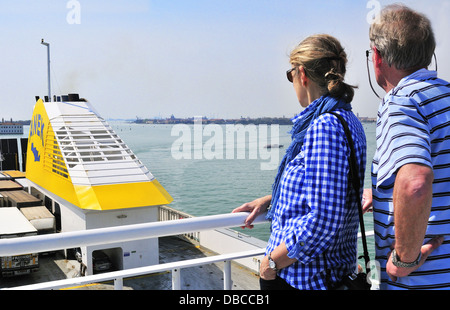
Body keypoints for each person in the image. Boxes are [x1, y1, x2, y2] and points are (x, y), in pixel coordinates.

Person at [232, 34, 367, 290]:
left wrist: (271, 263)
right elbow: (332, 193)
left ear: (302, 74)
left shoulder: (324, 126)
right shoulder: (349, 120)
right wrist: (272, 198)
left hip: (306, 280)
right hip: (332, 274)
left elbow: (323, 220)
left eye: (290, 74)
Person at [362, 4, 447, 289]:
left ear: (377, 58)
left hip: (423, 281)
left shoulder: (402, 102)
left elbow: (416, 183)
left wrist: (404, 260)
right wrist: (386, 193)